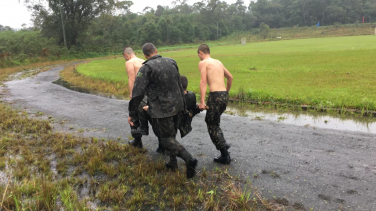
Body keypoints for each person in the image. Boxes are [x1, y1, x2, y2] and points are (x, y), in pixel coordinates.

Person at [128, 43, 198, 179]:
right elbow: (179, 84)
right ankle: (172, 163)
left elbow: (137, 93)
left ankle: (189, 159)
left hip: (162, 109)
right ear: (156, 51)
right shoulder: (172, 62)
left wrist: (132, 114)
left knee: (165, 139)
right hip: (177, 105)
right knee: (171, 134)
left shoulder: (146, 67)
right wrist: (183, 105)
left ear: (145, 55)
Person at [197, 44, 233, 164]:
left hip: (215, 96)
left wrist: (202, 102)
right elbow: (230, 78)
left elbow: (203, 82)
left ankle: (225, 155)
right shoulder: (218, 62)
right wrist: (226, 93)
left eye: (199, 55)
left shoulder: (203, 63)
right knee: (215, 121)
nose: (199, 58)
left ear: (201, 53)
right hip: (223, 96)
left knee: (211, 124)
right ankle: (223, 143)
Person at [123, 47, 148, 147]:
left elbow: (132, 78)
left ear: (126, 55)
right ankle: (162, 144)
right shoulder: (143, 61)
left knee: (133, 117)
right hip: (148, 93)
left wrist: (131, 96)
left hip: (138, 94)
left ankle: (137, 141)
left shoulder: (129, 62)